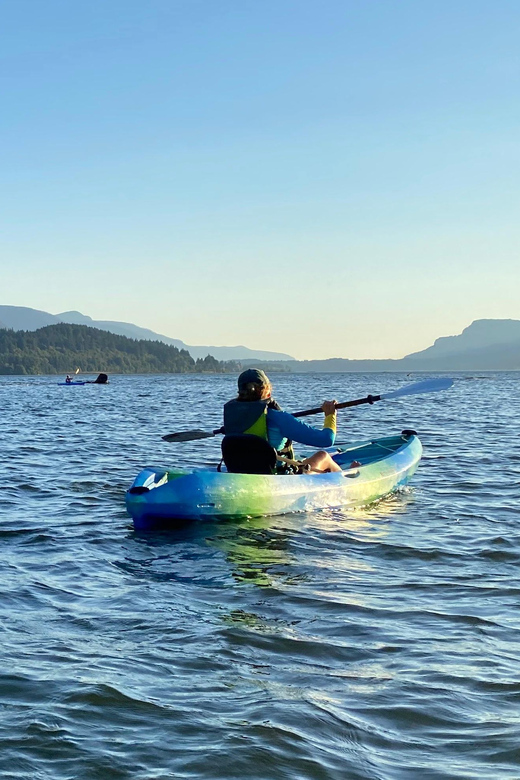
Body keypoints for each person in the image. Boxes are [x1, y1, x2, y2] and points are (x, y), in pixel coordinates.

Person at [223, 368, 342, 473]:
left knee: (304, 461)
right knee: (324, 456)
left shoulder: (232, 418)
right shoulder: (278, 418)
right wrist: (330, 415)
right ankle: (349, 477)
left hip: (241, 474)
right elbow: (326, 439)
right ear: (268, 391)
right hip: (276, 478)